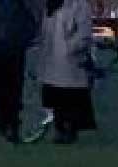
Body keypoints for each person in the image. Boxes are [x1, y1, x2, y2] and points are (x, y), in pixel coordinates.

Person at [40, 0, 98, 145]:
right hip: (53, 59)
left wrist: (70, 48)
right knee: (56, 95)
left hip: (69, 60)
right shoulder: (50, 5)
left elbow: (84, 32)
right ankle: (60, 128)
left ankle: (70, 129)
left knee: (69, 96)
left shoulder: (79, 5)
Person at [0, 0, 40, 144]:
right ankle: (11, 123)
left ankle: (5, 122)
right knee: (13, 86)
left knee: (1, 87)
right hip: (12, 46)